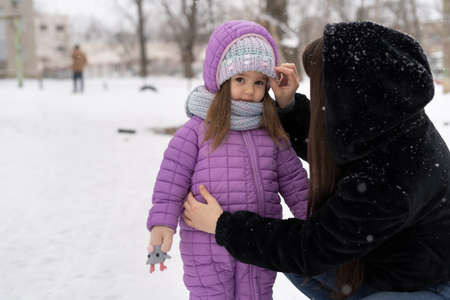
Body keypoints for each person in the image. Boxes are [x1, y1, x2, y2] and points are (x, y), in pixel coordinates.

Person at [184, 21, 450, 300]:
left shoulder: (389, 179)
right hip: (388, 263)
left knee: (292, 252)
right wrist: (289, 108)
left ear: (349, 92)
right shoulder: (388, 118)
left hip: (424, 285)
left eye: (322, 87)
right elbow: (339, 143)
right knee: (284, 254)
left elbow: (311, 248)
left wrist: (223, 226)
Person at [146, 20, 309, 300]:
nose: (250, 90)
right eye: (240, 80)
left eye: (259, 82)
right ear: (220, 80)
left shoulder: (271, 131)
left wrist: (313, 219)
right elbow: (171, 180)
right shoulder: (197, 131)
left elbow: (295, 182)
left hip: (257, 241)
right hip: (205, 244)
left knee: (257, 294)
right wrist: (162, 224)